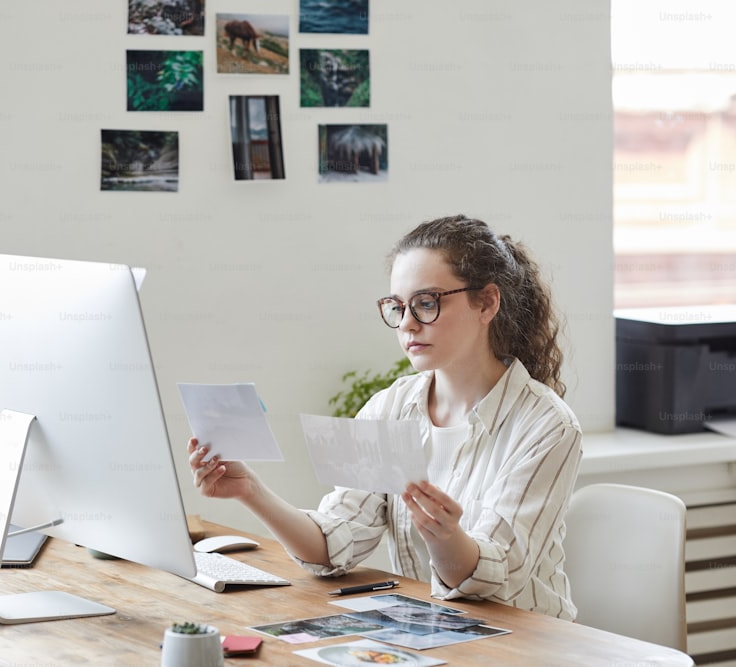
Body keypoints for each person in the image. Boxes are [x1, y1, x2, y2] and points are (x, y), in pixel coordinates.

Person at [188, 214, 582, 620]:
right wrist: (248, 489)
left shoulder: (547, 425)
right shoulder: (388, 408)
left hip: (526, 644)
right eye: (398, 307)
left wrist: (446, 537)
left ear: (486, 303)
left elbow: (496, 578)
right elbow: (334, 544)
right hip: (433, 632)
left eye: (427, 303)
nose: (407, 324)